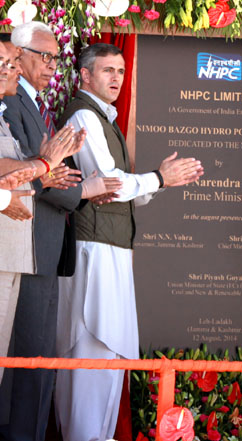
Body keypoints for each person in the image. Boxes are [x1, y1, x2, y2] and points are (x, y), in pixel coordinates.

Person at [53, 43, 203, 441]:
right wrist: (158, 178)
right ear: (84, 76)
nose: (117, 78)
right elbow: (110, 184)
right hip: (92, 250)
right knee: (90, 357)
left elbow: (120, 190)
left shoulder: (102, 116)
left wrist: (160, 181)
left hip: (110, 250)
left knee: (108, 361)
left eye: (120, 71)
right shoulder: (84, 113)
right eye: (107, 71)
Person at [0, 22, 119, 441]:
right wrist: (82, 190)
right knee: (23, 364)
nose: (52, 65)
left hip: (42, 248)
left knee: (36, 362)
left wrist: (81, 189)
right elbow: (35, 172)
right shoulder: (10, 104)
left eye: (56, 57)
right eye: (44, 56)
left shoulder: (33, 104)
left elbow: (51, 170)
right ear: (17, 55)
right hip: (22, 246)